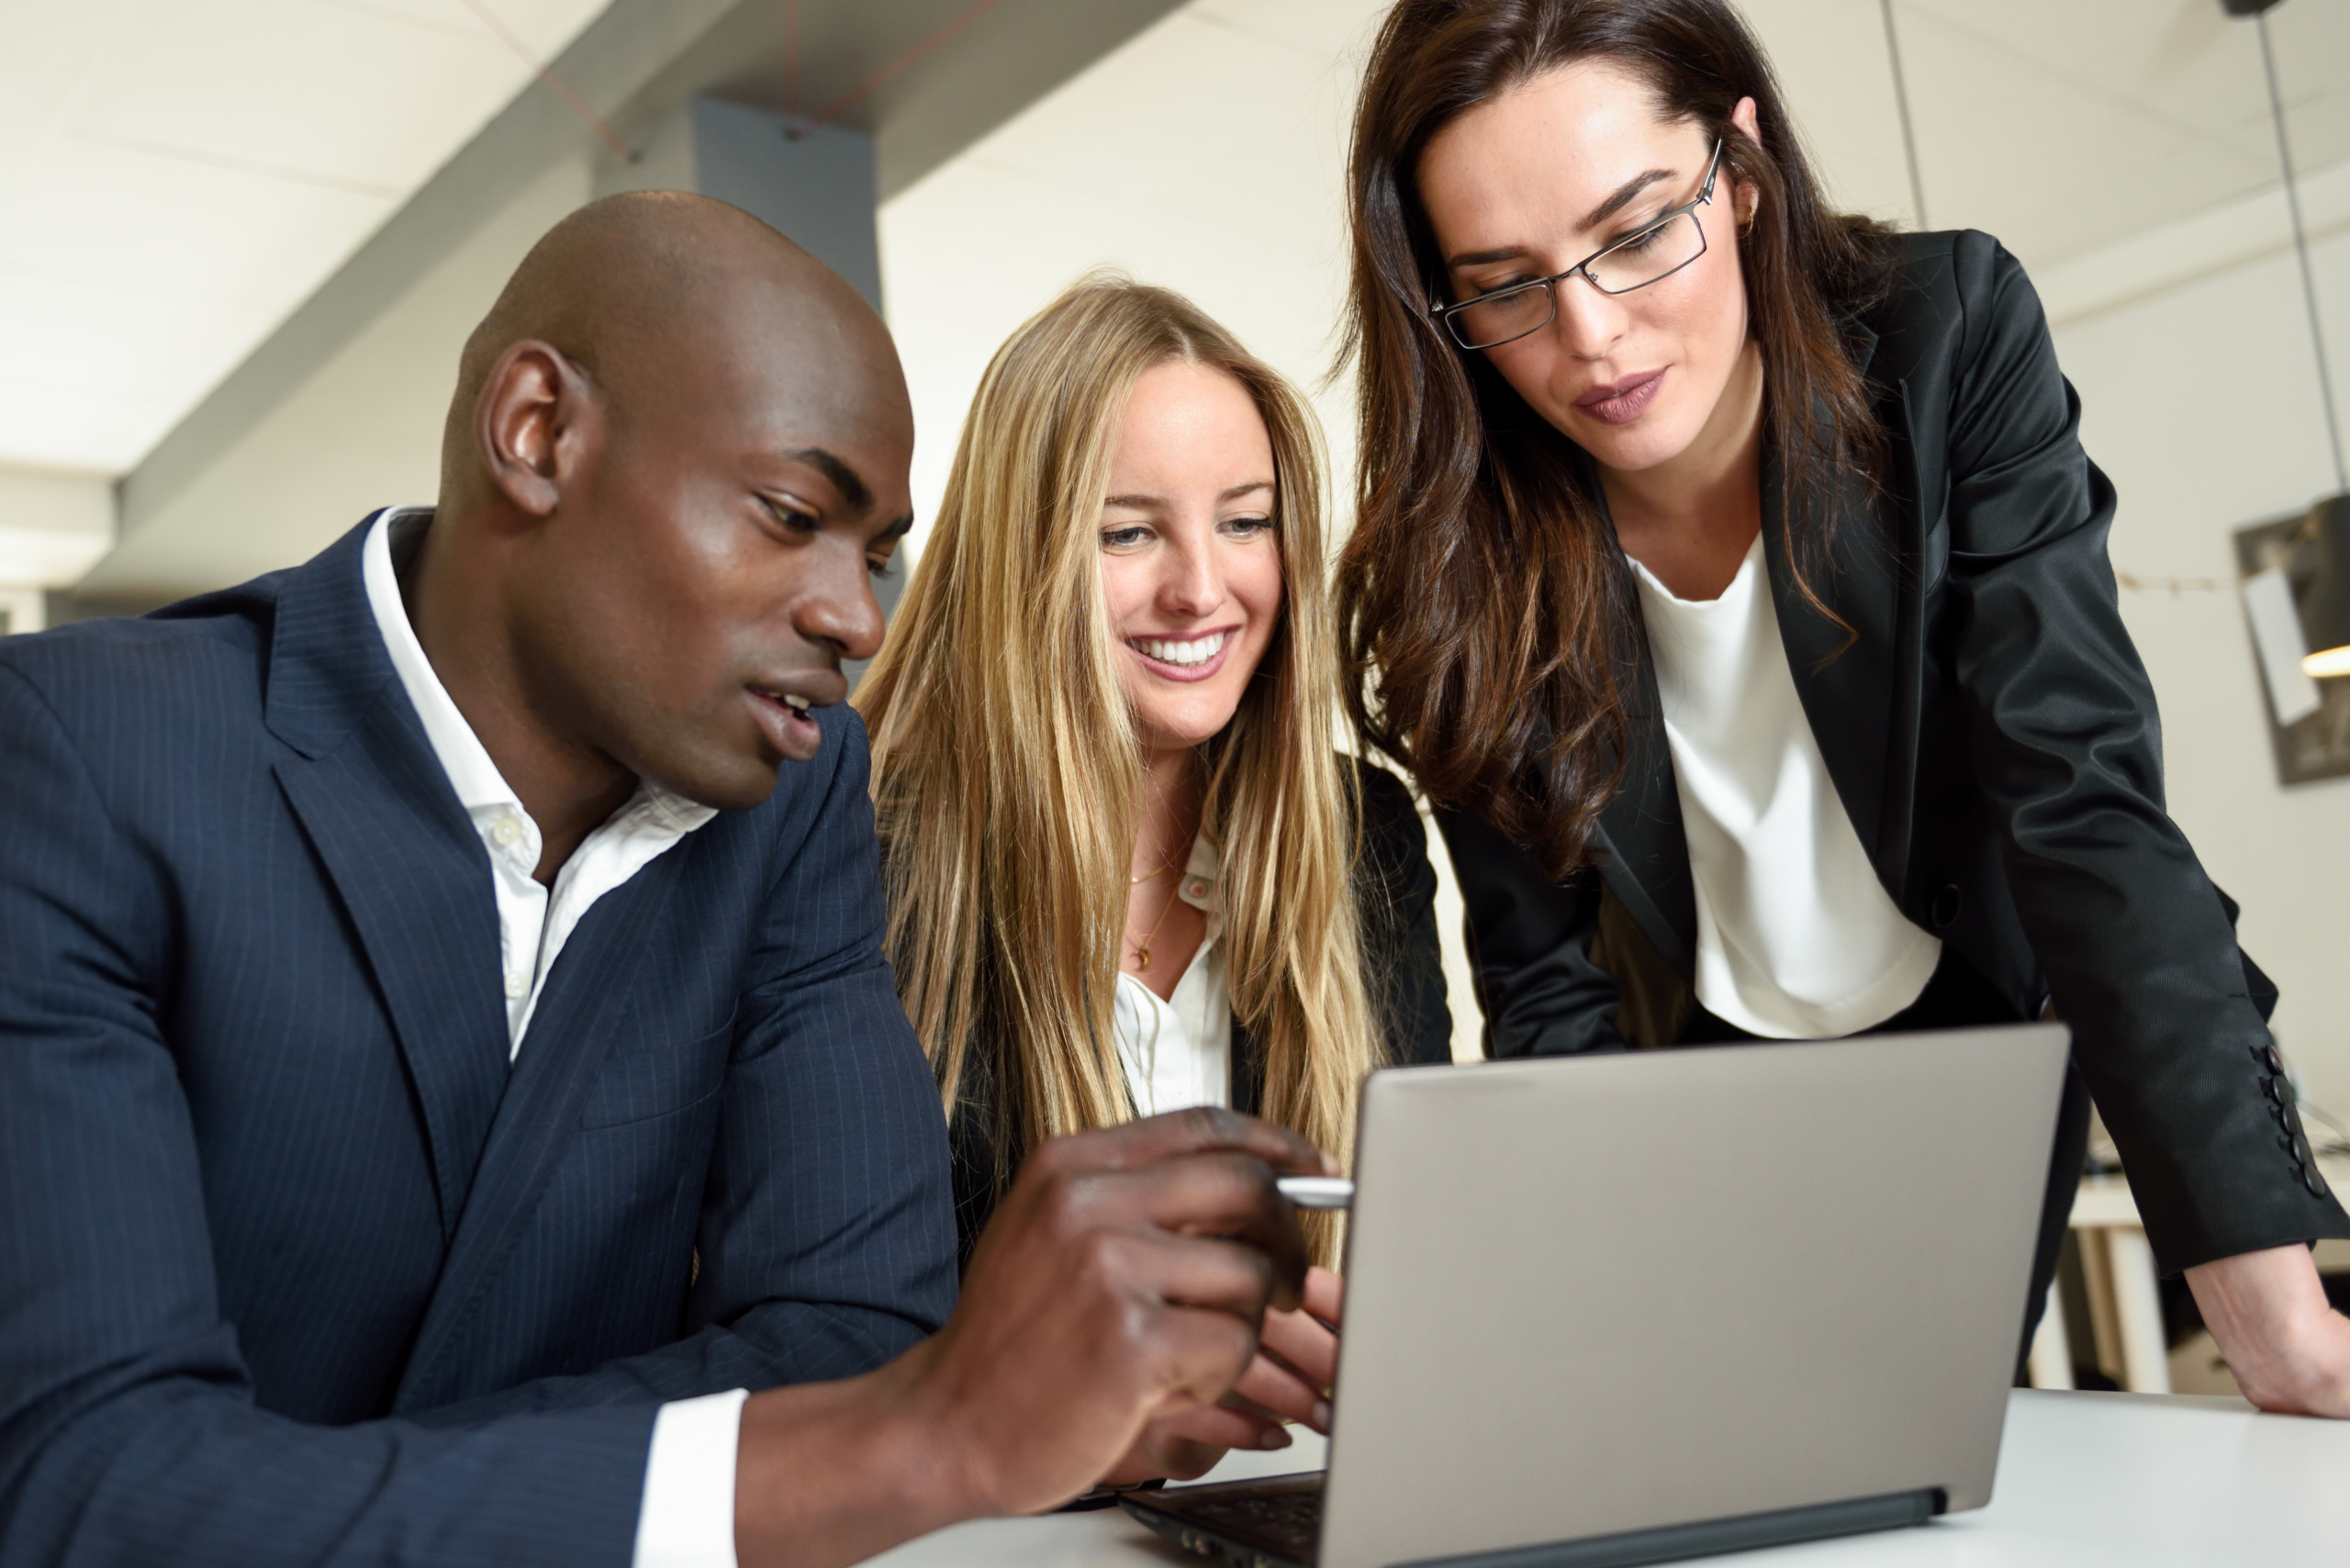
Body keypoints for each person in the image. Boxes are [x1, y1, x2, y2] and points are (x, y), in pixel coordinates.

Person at [0, 193, 1337, 1568]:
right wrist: (915, 1436)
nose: (857, 618)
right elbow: (81, 1487)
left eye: (875, 554)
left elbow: (852, 1334)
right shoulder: (67, 754)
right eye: (792, 514)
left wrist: (275, 1488)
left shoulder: (797, 796)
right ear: (538, 433)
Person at [1333, 0, 2350, 1412]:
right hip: (1685, 1092)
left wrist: (2273, 1312)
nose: (1592, 335)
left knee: (1936, 1440)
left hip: (1976, 1050)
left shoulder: (1946, 340)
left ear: (1741, 169)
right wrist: (1578, 1324)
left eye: (1639, 231)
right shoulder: (1452, 560)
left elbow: (2082, 812)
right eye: (1504, 286)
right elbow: (1546, 985)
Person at [856, 276, 1452, 1473]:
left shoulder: (1362, 833)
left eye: (1245, 522)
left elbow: (1432, 1258)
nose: (1201, 590)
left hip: (1309, 1498)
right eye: (1127, 533)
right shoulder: (865, 864)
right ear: (1024, 556)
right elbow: (835, 1349)